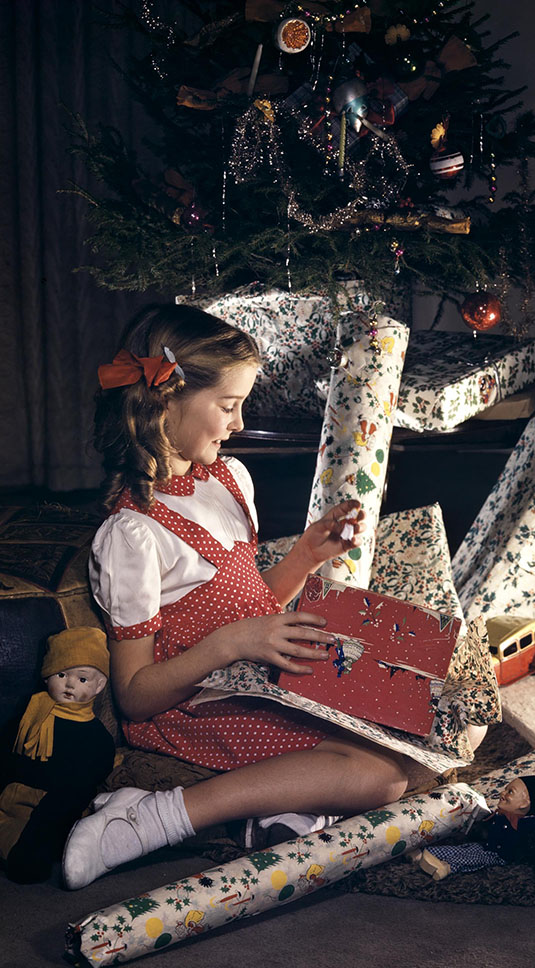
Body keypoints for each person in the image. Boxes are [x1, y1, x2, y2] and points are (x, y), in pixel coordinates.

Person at [62, 303, 409, 890]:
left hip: (253, 679)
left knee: (420, 723)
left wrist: (306, 556)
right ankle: (152, 817)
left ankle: (284, 809)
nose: (239, 423)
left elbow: (251, 609)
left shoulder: (229, 479)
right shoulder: (133, 534)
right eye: (228, 406)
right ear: (165, 401)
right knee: (384, 775)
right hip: (194, 706)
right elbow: (135, 697)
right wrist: (230, 644)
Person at [0, 627, 114, 883]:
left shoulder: (96, 735)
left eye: (82, 679)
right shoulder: (31, 714)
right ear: (47, 677)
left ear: (99, 685)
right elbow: (5, 752)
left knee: (68, 803)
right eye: (61, 674)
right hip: (16, 793)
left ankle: (30, 850)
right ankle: (18, 844)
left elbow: (97, 768)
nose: (70, 684)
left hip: (59, 804)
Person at [411, 774, 535, 880]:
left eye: (510, 792)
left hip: (497, 855)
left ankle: (447, 868)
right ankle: (426, 855)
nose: (503, 793)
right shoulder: (498, 816)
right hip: (485, 846)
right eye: (505, 789)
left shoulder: (519, 823)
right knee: (463, 849)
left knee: (472, 858)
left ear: (524, 804)